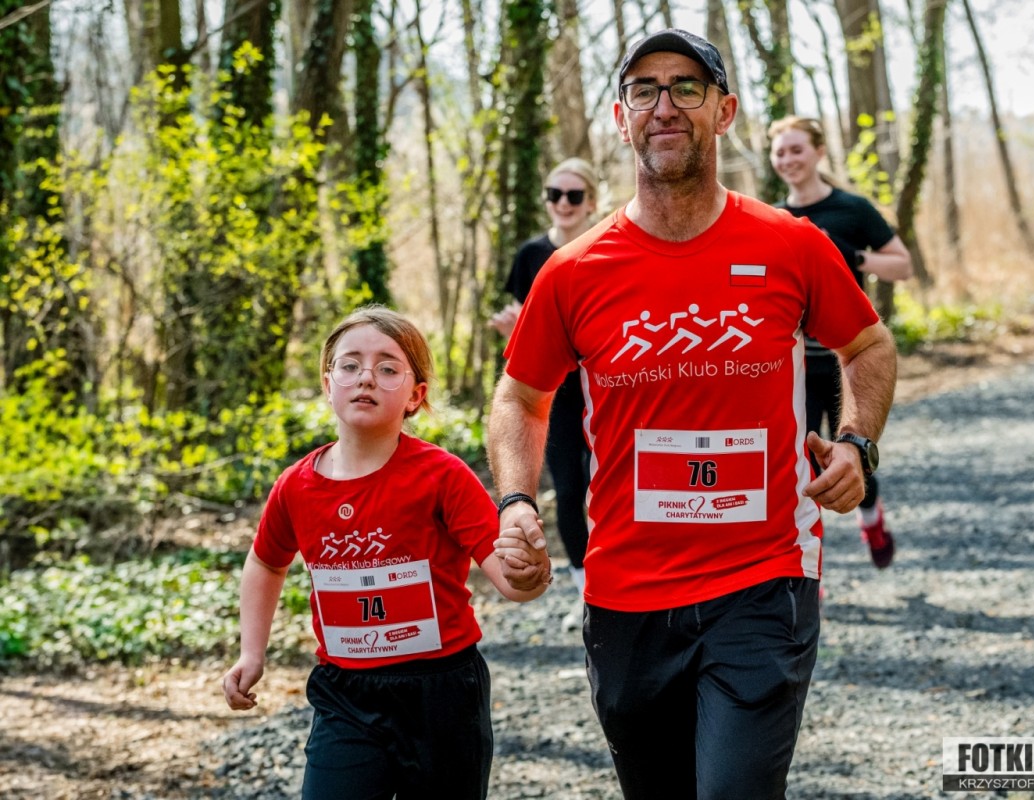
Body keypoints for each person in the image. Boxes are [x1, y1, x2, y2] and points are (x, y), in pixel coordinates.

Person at [488, 28, 898, 800]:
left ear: (724, 111)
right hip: (625, 590)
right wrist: (515, 502)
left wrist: (855, 442)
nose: (665, 105)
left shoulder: (789, 245)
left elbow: (868, 345)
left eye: (686, 87)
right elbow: (520, 396)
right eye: (644, 90)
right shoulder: (573, 272)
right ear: (622, 119)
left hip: (764, 576)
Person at [221, 306, 550, 800]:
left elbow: (510, 579)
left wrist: (529, 570)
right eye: (350, 365)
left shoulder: (442, 476)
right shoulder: (296, 487)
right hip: (345, 693)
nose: (366, 378)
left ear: (416, 395)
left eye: (388, 368)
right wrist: (252, 652)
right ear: (327, 383)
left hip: (442, 693)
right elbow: (266, 561)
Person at [768, 115, 913, 569]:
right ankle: (809, 563)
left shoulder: (852, 209)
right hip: (795, 364)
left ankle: (872, 518)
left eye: (796, 150)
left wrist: (853, 255)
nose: (788, 159)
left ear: (819, 152)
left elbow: (903, 265)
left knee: (852, 454)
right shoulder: (774, 219)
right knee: (801, 465)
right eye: (780, 152)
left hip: (847, 359)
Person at [490, 158, 599, 615]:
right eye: (555, 194)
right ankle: (584, 586)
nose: (563, 203)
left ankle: (619, 577)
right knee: (569, 490)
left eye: (574, 195)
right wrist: (511, 331)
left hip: (604, 387)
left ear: (591, 201)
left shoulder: (606, 248)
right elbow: (524, 324)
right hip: (552, 396)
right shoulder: (531, 255)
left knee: (605, 485)